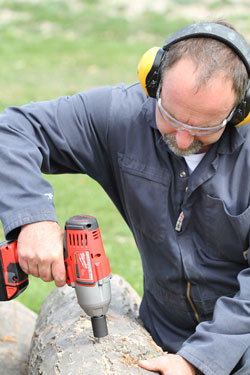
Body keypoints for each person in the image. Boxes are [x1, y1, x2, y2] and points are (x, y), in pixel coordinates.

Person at [1, 19, 250, 375]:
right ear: (153, 82)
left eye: (204, 127)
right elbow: (13, 131)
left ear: (239, 112)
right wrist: (32, 218)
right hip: (162, 333)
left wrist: (198, 362)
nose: (182, 140)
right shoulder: (121, 116)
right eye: (171, 116)